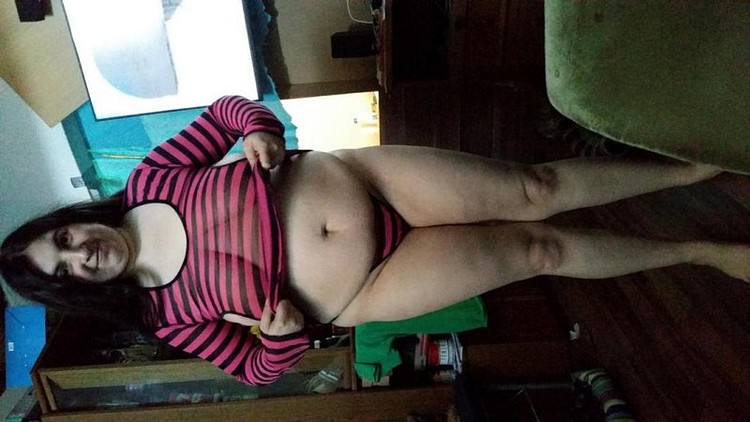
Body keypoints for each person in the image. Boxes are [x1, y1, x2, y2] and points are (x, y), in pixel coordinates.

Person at [1, 96, 748, 386]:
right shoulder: (166, 319)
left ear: (72, 219)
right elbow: (256, 369)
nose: (81, 251)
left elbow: (229, 113)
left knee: (534, 189)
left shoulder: (153, 176)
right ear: (80, 290)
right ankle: (701, 253)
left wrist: (258, 129)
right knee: (537, 252)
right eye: (67, 270)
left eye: (63, 237)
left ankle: (690, 169)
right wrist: (283, 339)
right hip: (371, 285)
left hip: (365, 180)